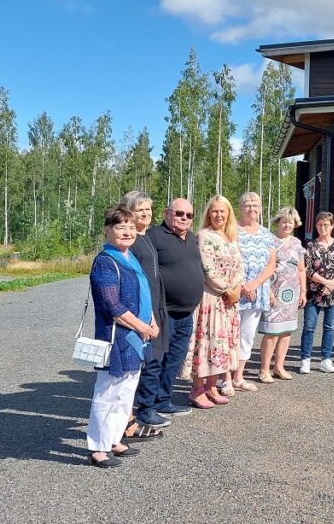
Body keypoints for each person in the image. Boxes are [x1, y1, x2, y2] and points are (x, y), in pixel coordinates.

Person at [86, 205, 156, 468]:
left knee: (125, 393)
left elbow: (141, 294)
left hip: (135, 337)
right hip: (117, 337)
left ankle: (114, 438)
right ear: (108, 230)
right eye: (120, 226)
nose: (127, 231)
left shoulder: (129, 258)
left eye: (131, 226)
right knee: (108, 393)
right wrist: (141, 327)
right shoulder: (105, 261)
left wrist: (152, 320)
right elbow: (112, 305)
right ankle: (98, 447)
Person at [120, 192, 172, 434]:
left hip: (156, 305)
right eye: (139, 209)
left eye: (148, 209)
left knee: (156, 358)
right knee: (147, 361)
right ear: (128, 211)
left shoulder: (146, 237)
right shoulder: (130, 242)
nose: (145, 213)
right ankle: (144, 410)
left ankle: (147, 407)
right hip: (142, 309)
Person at [146, 198, 204, 417]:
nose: (184, 218)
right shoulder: (154, 237)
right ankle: (148, 406)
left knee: (174, 361)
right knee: (156, 361)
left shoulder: (191, 238)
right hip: (164, 313)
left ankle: (164, 400)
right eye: (179, 213)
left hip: (186, 314)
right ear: (166, 213)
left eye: (189, 215)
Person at [186, 195, 243, 409]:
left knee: (222, 344)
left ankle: (212, 386)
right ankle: (197, 389)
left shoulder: (231, 237)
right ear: (208, 213)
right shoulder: (204, 236)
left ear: (229, 214)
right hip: (211, 296)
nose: (219, 215)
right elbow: (207, 268)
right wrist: (227, 290)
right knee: (207, 342)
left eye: (223, 211)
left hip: (229, 300)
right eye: (215, 211)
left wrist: (236, 289)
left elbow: (239, 267)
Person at [232, 192, 277, 393]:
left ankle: (238, 376)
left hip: (257, 292)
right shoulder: (232, 230)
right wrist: (243, 285)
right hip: (234, 291)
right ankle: (224, 377)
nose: (252, 209)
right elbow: (228, 260)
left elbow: (271, 264)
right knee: (228, 335)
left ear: (260, 208)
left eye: (255, 205)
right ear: (240, 208)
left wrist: (254, 285)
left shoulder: (267, 234)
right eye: (248, 205)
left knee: (247, 335)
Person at [257, 207, 306, 382]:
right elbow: (262, 268)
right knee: (272, 332)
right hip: (273, 291)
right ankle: (264, 369)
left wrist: (303, 291)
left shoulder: (297, 243)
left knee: (286, 332)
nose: (287, 225)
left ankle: (279, 367)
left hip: (291, 294)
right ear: (278, 222)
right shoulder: (269, 241)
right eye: (284, 221)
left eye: (290, 222)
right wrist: (268, 291)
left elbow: (301, 269)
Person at [300, 212, 334, 374]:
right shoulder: (310, 246)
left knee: (330, 327)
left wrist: (332, 284)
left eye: (326, 224)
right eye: (320, 224)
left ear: (332, 226)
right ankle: (305, 359)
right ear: (316, 226)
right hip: (314, 292)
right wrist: (326, 282)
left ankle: (325, 359)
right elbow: (308, 269)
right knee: (309, 327)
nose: (323, 227)